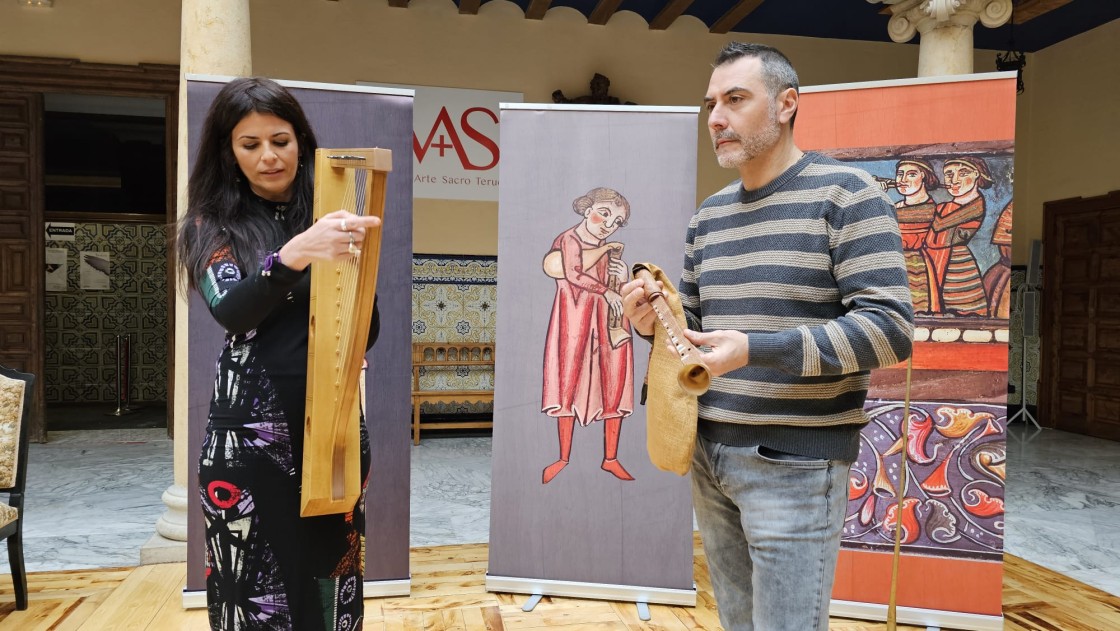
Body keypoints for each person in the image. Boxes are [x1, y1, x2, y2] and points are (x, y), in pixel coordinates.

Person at [621, 43, 913, 630]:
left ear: (787, 105)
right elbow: (696, 343)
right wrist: (654, 326)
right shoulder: (708, 217)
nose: (716, 119)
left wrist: (755, 349)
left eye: (735, 100)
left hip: (796, 463)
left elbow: (890, 331)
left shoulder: (846, 196)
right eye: (710, 104)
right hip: (710, 456)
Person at [176, 77, 381, 631]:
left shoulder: (329, 214)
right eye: (250, 144)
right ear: (229, 151)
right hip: (248, 436)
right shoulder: (208, 225)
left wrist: (357, 274)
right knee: (256, 586)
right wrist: (292, 255)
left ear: (301, 142)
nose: (269, 156)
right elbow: (233, 310)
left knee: (329, 573)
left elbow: (368, 328)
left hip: (331, 428)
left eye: (281, 140)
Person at [540, 187, 635, 484]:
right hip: (575, 321)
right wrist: (606, 288)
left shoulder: (609, 248)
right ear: (586, 209)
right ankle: (563, 457)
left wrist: (621, 277)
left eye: (616, 221)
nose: (608, 224)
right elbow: (574, 273)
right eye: (604, 214)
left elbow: (617, 291)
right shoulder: (569, 239)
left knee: (613, 381)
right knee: (568, 380)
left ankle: (610, 458)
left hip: (608, 325)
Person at [924, 156, 991, 316]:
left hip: (956, 266)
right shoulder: (942, 206)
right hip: (933, 262)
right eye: (948, 174)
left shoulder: (976, 205)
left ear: (976, 174)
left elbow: (939, 231)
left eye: (962, 173)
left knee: (962, 315)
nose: (953, 180)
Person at [892, 158, 939, 314]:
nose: (903, 180)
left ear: (924, 177)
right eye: (900, 174)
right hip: (894, 267)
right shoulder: (893, 208)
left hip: (917, 267)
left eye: (911, 174)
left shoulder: (934, 210)